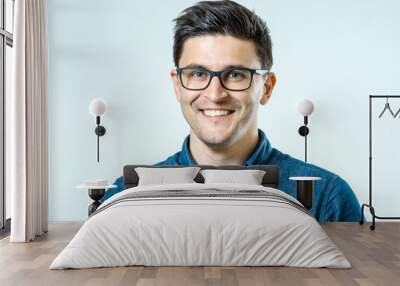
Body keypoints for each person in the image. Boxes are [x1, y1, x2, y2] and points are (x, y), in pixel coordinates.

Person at [101, 0, 361, 222]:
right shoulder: (121, 198)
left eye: (235, 74)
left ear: (267, 87)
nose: (215, 94)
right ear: (177, 85)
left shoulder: (328, 199)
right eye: (198, 73)